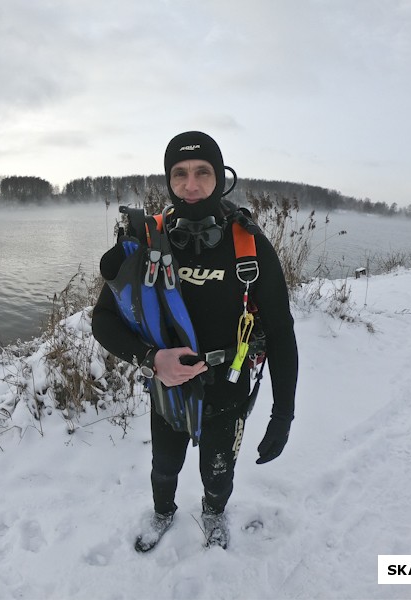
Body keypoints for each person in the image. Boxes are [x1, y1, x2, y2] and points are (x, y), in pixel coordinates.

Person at [92, 131, 298, 552]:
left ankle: (213, 513)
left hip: (229, 390)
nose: (191, 184)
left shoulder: (250, 246)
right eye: (179, 173)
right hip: (167, 389)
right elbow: (102, 320)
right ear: (168, 180)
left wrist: (284, 413)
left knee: (218, 473)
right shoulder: (150, 242)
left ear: (221, 177)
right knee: (164, 466)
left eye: (202, 172)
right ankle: (163, 512)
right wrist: (151, 359)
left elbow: (280, 332)